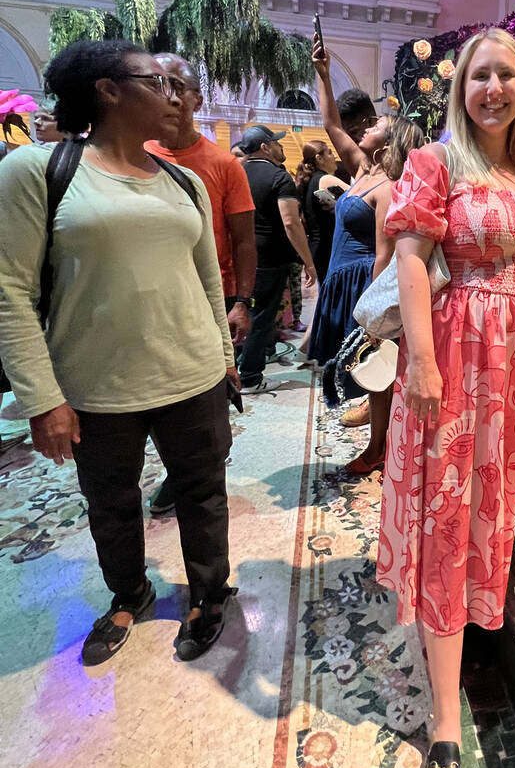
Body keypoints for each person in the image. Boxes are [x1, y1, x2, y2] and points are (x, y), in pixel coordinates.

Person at [376, 28, 515, 768]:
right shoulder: (436, 165)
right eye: (481, 75)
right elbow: (412, 259)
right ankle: (445, 734)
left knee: (486, 516)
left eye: (507, 76)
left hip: (511, 374)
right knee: (449, 529)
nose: (494, 88)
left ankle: (466, 646)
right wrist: (419, 360)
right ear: (461, 88)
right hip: (451, 369)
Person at [0, 40, 239, 665]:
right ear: (108, 89)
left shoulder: (184, 181)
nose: (176, 98)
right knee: (110, 501)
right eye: (158, 84)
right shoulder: (38, 172)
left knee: (203, 491)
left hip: (193, 375)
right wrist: (42, 397)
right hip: (97, 385)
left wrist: (224, 356)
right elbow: (10, 291)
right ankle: (129, 592)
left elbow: (206, 278)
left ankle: (209, 594)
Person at [144, 53, 257, 516]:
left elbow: (244, 239)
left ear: (196, 97)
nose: (167, 95)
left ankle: (193, 472)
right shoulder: (138, 154)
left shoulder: (222, 163)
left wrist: (242, 302)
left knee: (211, 399)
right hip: (150, 300)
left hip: (211, 299)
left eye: (176, 84)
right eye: (156, 83)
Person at [309, 42, 424, 471]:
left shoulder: (390, 184)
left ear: (390, 139)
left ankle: (379, 448)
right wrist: (323, 73)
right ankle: (378, 433)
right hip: (341, 277)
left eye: (378, 124)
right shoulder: (361, 168)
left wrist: (376, 315)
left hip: (364, 281)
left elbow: (384, 255)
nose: (368, 126)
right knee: (361, 368)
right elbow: (331, 124)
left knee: (378, 369)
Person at [238, 124, 317, 392]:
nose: (281, 147)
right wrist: (308, 261)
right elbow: (291, 223)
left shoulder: (237, 172)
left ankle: (237, 367)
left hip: (239, 255)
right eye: (277, 143)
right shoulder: (279, 177)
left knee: (240, 311)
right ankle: (250, 377)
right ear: (265, 147)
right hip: (269, 258)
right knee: (261, 317)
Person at [295, 140, 348, 282]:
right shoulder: (325, 179)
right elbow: (362, 195)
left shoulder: (312, 180)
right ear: (319, 158)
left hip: (320, 248)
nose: (334, 156)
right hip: (328, 248)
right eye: (330, 152)